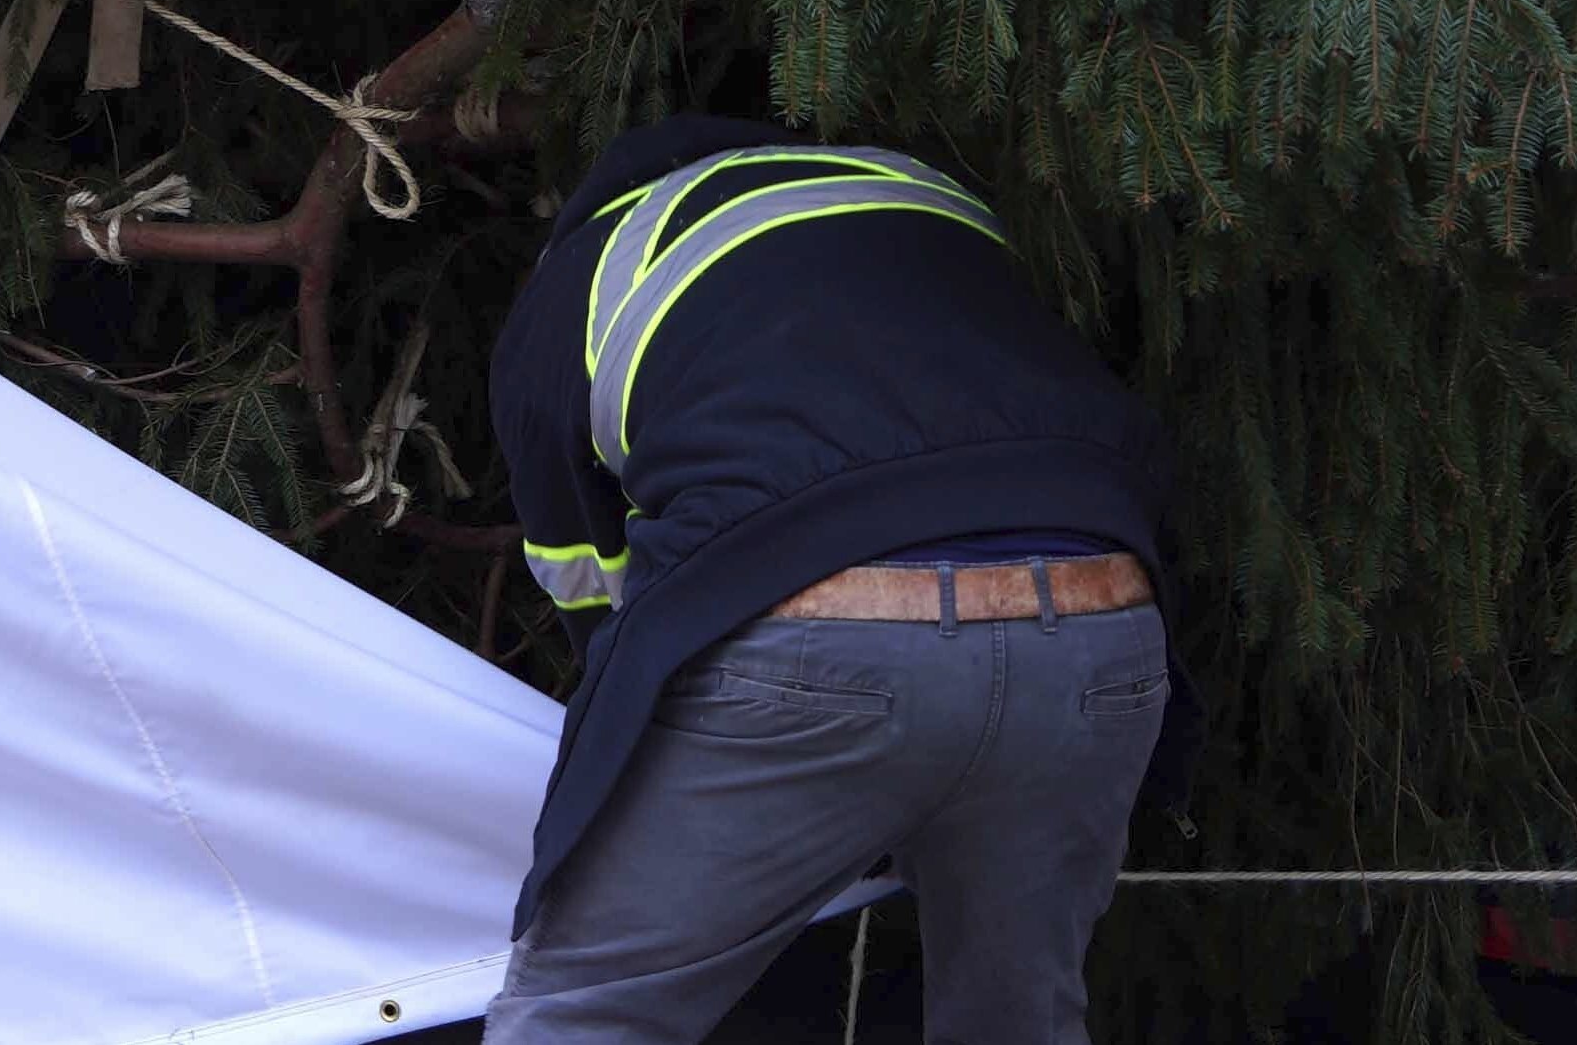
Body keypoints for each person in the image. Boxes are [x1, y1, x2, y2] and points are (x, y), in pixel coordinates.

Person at [484, 122, 1175, 1044]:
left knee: (585, 1017)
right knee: (1018, 1025)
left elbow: (590, 584)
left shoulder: (587, 269)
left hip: (814, 622)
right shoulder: (929, 197)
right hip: (1104, 618)